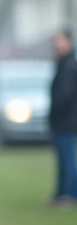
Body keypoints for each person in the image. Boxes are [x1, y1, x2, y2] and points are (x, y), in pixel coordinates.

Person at [48, 29, 77, 205]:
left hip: (67, 121)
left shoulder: (69, 66)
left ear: (69, 42)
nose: (56, 44)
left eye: (60, 40)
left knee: (67, 159)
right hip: (62, 121)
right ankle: (61, 194)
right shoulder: (62, 63)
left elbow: (64, 96)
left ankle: (69, 195)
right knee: (62, 159)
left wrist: (56, 112)